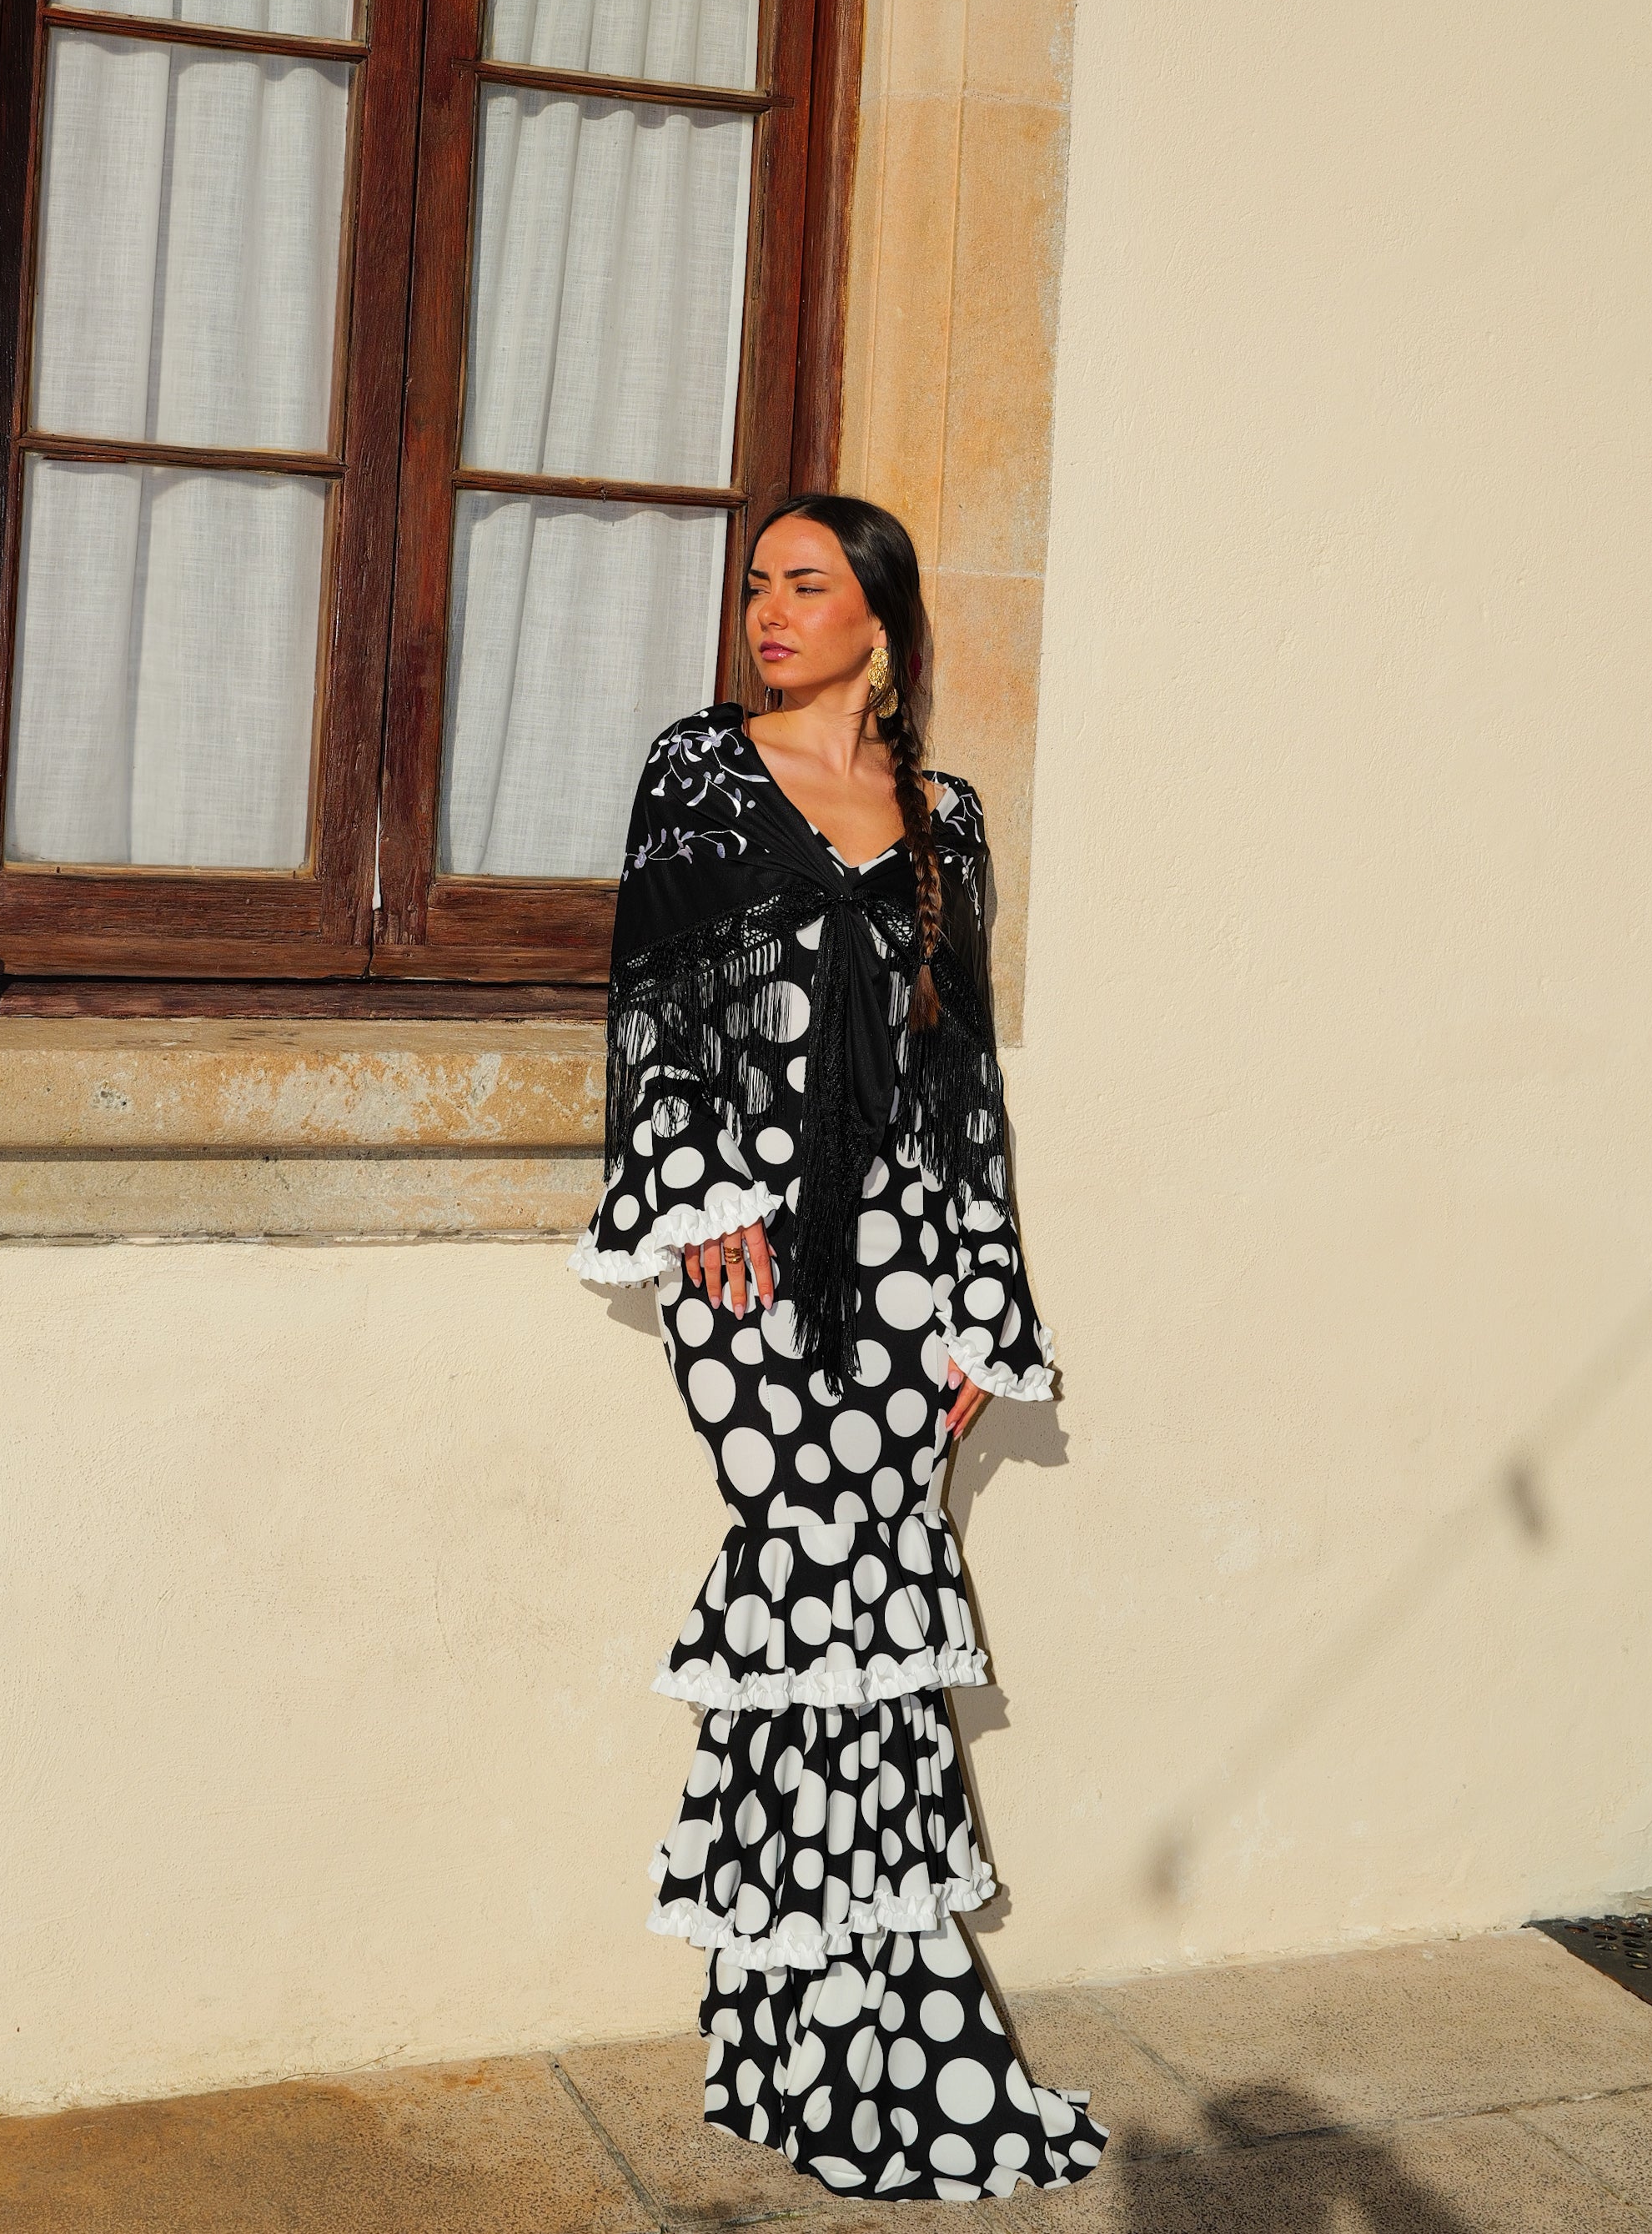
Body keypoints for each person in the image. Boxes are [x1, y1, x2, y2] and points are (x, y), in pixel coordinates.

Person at [571, 494, 1105, 2202]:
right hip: (740, 1256)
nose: (768, 613)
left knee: (860, 1632)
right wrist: (694, 1185)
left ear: (879, 617)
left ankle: (797, 2037)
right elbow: (651, 1004)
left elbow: (959, 1090)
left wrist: (975, 1310)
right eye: (755, 586)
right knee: (819, 1583)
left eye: (806, 586)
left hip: (898, 1270)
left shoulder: (941, 817)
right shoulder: (698, 773)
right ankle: (880, 2034)